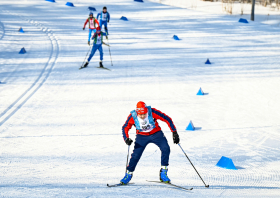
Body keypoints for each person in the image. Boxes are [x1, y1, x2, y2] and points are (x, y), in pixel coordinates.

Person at [120, 101, 180, 185]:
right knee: (136, 155)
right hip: (141, 136)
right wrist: (126, 139)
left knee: (166, 148)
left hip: (156, 134)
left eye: (144, 114)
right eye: (140, 115)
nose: (142, 116)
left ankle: (163, 173)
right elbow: (125, 127)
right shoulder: (132, 116)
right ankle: (128, 174)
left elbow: (167, 119)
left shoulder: (152, 112)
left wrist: (174, 132)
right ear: (137, 113)